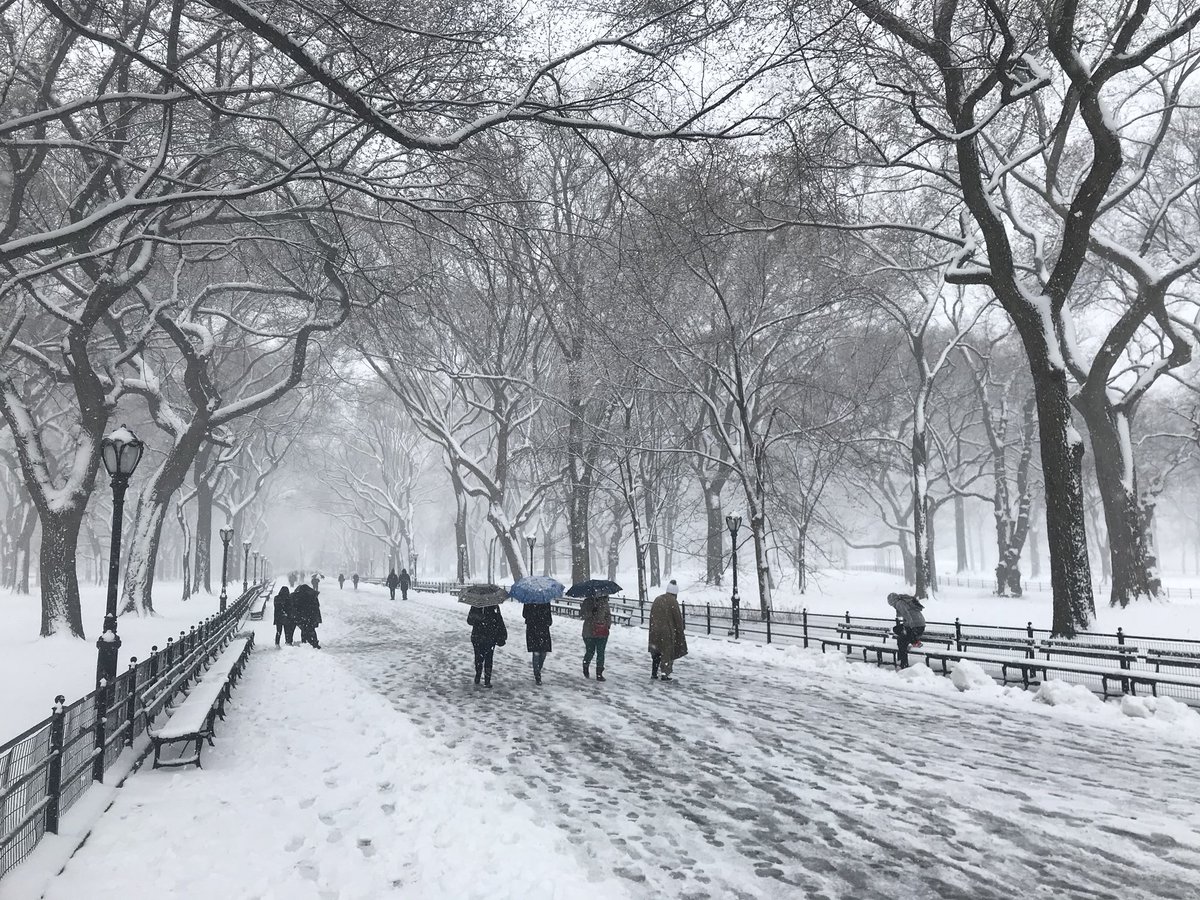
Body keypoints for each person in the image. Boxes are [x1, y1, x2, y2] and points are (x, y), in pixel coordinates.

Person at [649, 580, 688, 681]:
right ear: (675, 593)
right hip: (667, 632)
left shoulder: (657, 599)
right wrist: (680, 630)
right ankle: (664, 673)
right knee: (667, 652)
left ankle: (654, 673)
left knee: (656, 652)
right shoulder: (673, 602)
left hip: (655, 630)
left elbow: (652, 616)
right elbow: (678, 619)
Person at [467, 604, 507, 687]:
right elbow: (499, 620)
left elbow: (470, 621)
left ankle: (481, 677)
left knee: (480, 658)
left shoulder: (476, 605)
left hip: (482, 636)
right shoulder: (493, 606)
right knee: (486, 658)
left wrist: (478, 617)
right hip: (487, 637)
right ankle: (485, 679)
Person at [887, 591, 926, 667]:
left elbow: (907, 616)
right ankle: (913, 641)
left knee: (901, 641)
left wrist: (911, 628)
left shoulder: (899, 603)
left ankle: (904, 664)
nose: (892, 606)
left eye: (891, 604)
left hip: (916, 626)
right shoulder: (904, 601)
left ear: (892, 601)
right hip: (920, 625)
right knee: (899, 634)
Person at [580, 593, 612, 682]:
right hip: (589, 632)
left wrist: (607, 624)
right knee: (590, 651)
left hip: (602, 632)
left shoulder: (604, 603)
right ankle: (586, 666)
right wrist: (591, 612)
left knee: (601, 653)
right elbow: (582, 615)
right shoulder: (587, 602)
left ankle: (599, 673)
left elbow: (608, 615)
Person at [522, 602, 553, 685]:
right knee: (536, 652)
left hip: (543, 629)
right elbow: (524, 614)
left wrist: (546, 620)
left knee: (543, 653)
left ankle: (538, 670)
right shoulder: (529, 601)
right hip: (533, 629)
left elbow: (549, 618)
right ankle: (537, 675)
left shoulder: (545, 601)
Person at [293, 583, 323, 649]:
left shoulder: (299, 597)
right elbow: (317, 606)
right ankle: (314, 642)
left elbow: (297, 606)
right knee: (311, 630)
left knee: (304, 629)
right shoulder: (312, 596)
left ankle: (306, 642)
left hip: (303, 616)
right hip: (312, 616)